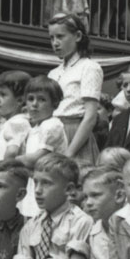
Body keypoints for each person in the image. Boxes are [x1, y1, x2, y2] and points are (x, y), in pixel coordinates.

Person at [48, 12, 103, 165]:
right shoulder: (53, 73)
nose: (55, 43)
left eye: (60, 36)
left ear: (78, 36)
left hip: (75, 134)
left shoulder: (89, 67)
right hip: (53, 132)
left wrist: (70, 152)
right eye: (52, 38)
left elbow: (90, 116)